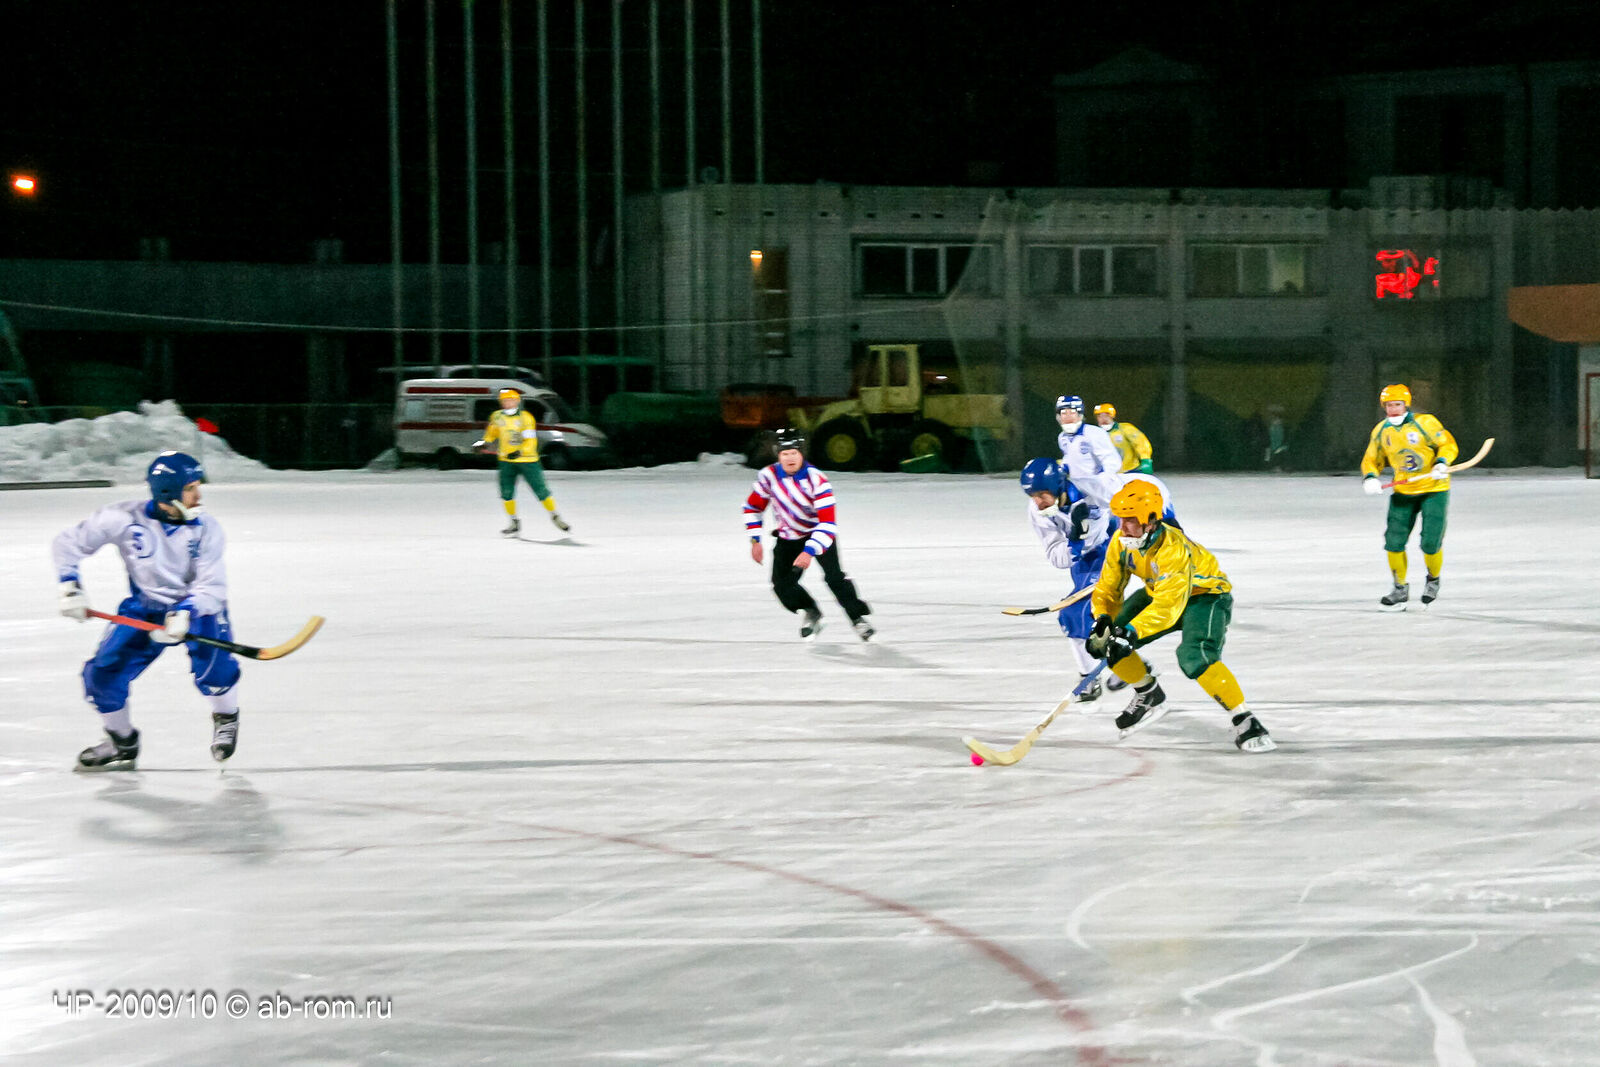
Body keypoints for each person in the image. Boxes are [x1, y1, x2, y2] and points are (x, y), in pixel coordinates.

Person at [53, 451, 243, 770]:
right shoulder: (123, 518)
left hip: (198, 607)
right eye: (191, 488)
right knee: (101, 676)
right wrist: (69, 586)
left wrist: (186, 611)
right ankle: (122, 741)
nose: (198, 495)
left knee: (216, 672)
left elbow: (212, 585)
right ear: (168, 492)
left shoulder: (206, 528)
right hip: (144, 609)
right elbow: (67, 543)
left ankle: (226, 716)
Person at [1085, 478, 1275, 753]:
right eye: (1120, 519)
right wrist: (1103, 618)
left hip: (1205, 596)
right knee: (1106, 641)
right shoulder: (1121, 541)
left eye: (1131, 520)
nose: (1123, 527)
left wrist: (1131, 632)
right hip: (1159, 592)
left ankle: (1245, 719)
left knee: (1194, 655)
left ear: (1150, 520)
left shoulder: (1173, 548)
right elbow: (1108, 588)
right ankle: (1148, 693)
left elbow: (1168, 606)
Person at [1019, 458, 1153, 703]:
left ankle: (1090, 680)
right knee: (1092, 618)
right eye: (1032, 496)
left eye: (1042, 495)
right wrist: (1075, 542)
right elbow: (1056, 555)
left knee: (1075, 613)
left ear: (1057, 486)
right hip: (1083, 561)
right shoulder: (1037, 511)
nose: (1037, 502)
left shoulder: (1092, 490)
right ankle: (1130, 664)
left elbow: (1132, 500)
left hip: (1111, 550)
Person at [744, 428, 873, 641]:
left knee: (834, 578)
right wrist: (755, 539)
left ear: (801, 454)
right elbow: (752, 507)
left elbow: (827, 523)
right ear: (778, 455)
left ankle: (858, 619)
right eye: (785, 454)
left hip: (818, 535)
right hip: (787, 538)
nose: (790, 458)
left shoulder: (817, 479)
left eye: (794, 453)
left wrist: (809, 551)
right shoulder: (768, 476)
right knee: (782, 585)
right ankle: (811, 611)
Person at [1360, 383, 1458, 610]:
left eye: (1397, 404)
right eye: (1389, 405)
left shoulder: (1426, 423)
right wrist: (1371, 477)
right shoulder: (1381, 431)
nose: (1393, 409)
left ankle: (1433, 580)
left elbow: (1447, 444)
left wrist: (1442, 462)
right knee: (1393, 542)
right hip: (1404, 492)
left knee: (1430, 542)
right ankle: (1399, 589)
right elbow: (1371, 458)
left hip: (1434, 489)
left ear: (1406, 404)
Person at [474, 387, 570, 537]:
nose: (506, 403)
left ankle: (555, 516)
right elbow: (491, 433)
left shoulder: (526, 418)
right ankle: (513, 521)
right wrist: (483, 443)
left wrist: (519, 452)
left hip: (528, 460)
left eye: (510, 400)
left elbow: (530, 440)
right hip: (506, 461)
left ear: (517, 401)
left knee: (541, 490)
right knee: (506, 492)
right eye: (504, 401)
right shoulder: (497, 416)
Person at [1055, 394, 1123, 510]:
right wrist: (1063, 468)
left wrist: (1105, 478)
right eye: (1064, 413)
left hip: (1098, 485)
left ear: (1080, 415)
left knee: (1110, 514)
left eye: (1072, 412)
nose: (1068, 417)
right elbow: (1069, 457)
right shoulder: (1062, 437)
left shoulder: (1094, 433)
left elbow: (1111, 459)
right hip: (1078, 485)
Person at [1093, 403, 1154, 474]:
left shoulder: (1125, 428)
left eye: (1106, 415)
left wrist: (1146, 460)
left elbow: (1141, 443)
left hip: (1130, 471)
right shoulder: (1095, 434)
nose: (1103, 419)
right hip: (1109, 473)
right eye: (1099, 416)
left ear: (1113, 416)